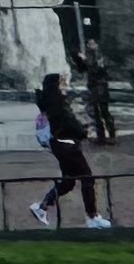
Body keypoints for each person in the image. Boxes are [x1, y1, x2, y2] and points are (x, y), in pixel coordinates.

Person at [29, 72, 107, 229]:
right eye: (62, 82)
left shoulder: (50, 101)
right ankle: (92, 217)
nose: (65, 85)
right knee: (87, 178)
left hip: (60, 145)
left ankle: (42, 207)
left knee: (69, 181)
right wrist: (83, 132)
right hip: (67, 146)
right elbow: (69, 123)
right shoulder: (57, 102)